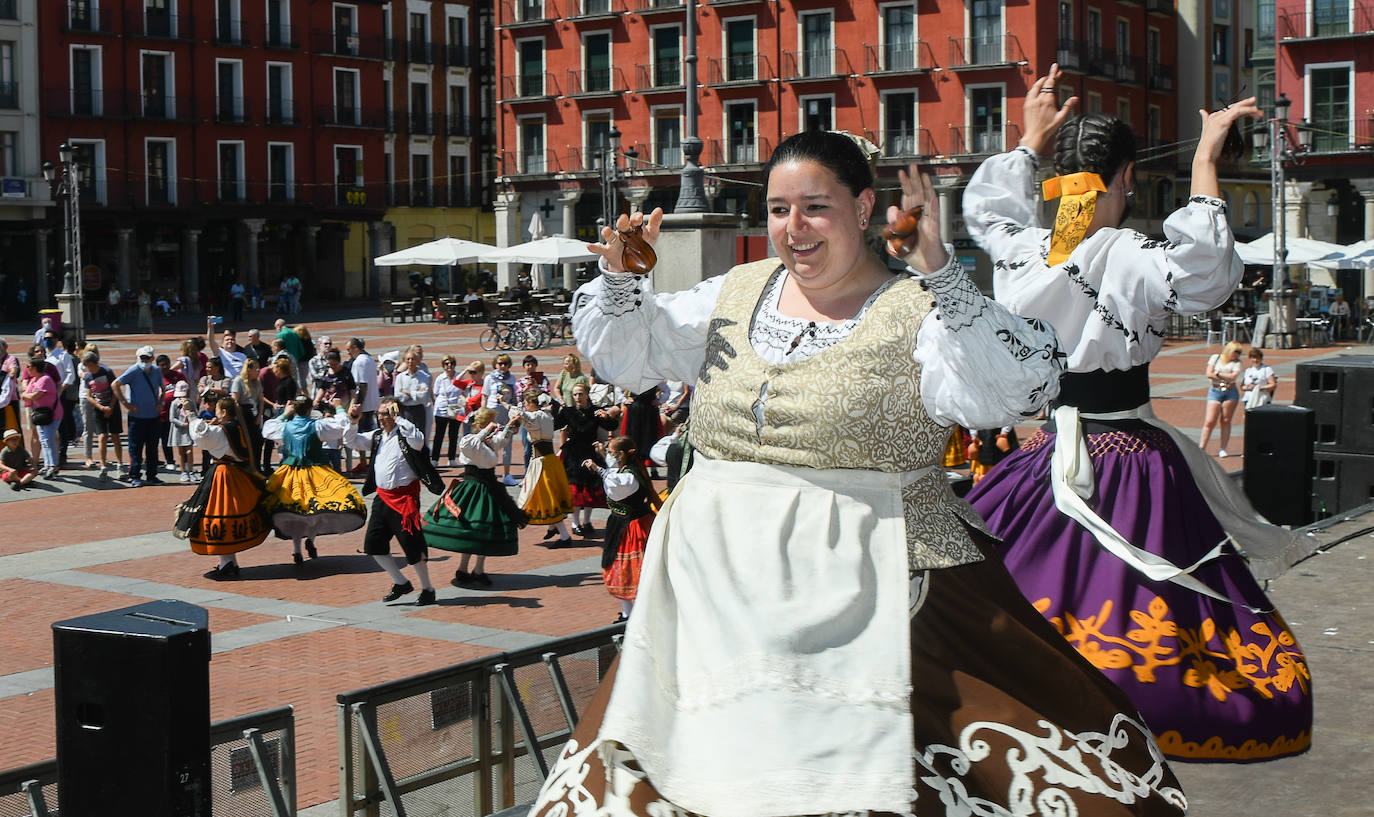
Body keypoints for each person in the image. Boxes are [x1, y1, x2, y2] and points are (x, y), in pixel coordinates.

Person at [529, 131, 1189, 817]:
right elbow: (632, 357)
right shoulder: (735, 290)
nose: (794, 228)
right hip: (713, 588)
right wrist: (625, 279)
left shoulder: (920, 313)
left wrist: (942, 272)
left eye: (815, 206)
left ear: (865, 205)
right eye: (779, 210)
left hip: (874, 580)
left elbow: (1013, 387)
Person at [963, 67, 1311, 762]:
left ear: (1060, 179)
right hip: (1129, 453)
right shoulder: (1130, 254)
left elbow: (993, 215)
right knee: (1148, 594)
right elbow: (1206, 276)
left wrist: (1029, 139)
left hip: (1041, 452)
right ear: (1125, 176)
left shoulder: (1032, 251)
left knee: (1008, 581)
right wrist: (1206, 161)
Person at [349, 397, 439, 604]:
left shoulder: (407, 435)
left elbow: (418, 440)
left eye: (386, 413)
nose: (381, 418)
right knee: (373, 545)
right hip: (382, 498)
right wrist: (353, 421)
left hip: (405, 499)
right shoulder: (378, 435)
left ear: (396, 414)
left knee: (412, 547)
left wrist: (399, 418)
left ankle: (428, 589)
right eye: (379, 414)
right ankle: (401, 583)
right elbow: (353, 441)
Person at [423, 407, 525, 587]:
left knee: (481, 530)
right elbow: (467, 445)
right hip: (473, 488)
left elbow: (501, 441)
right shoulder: (471, 440)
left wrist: (510, 426)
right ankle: (464, 569)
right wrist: (486, 430)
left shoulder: (489, 441)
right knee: (472, 528)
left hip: (489, 487)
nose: (493, 428)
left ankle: (477, 569)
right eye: (489, 423)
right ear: (480, 424)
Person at [261, 397, 367, 565]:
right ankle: (310, 539)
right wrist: (339, 407)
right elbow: (341, 426)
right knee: (317, 510)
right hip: (315, 473)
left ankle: (297, 549)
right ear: (311, 410)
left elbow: (267, 430)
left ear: (294, 409)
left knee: (297, 512)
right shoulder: (317, 426)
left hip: (291, 474)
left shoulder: (285, 427)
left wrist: (284, 415)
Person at [175, 397, 271, 579]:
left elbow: (201, 435)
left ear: (224, 413)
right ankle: (230, 562)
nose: (215, 414)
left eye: (217, 411)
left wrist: (190, 412)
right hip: (238, 475)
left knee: (220, 518)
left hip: (224, 475)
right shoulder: (237, 428)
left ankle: (226, 564)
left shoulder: (222, 431)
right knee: (228, 518)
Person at [590, 436, 660, 621]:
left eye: (612, 453)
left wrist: (598, 469)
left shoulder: (629, 477)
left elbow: (615, 484)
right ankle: (628, 612)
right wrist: (603, 455)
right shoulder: (628, 470)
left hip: (632, 527)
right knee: (623, 568)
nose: (611, 456)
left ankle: (640, 614)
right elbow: (614, 474)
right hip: (624, 524)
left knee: (630, 570)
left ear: (621, 455)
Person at [556, 381, 619, 535]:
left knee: (591, 488)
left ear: (586, 395)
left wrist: (606, 416)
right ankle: (575, 523)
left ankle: (587, 521)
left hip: (591, 451)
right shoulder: (568, 411)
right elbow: (555, 424)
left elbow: (612, 426)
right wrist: (553, 409)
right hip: (573, 453)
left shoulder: (595, 411)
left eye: (581, 394)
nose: (578, 397)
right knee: (576, 489)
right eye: (575, 394)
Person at [514, 390, 574, 544]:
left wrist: (505, 403)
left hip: (541, 464)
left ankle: (565, 536)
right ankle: (554, 528)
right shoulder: (547, 415)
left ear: (531, 403)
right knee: (551, 495)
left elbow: (521, 416)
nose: (525, 407)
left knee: (546, 497)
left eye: (526, 404)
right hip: (550, 461)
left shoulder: (535, 417)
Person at [117, 345, 166, 487]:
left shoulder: (156, 371)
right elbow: (116, 384)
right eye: (142, 358)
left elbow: (163, 388)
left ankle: (152, 475)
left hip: (153, 416)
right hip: (137, 418)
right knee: (135, 448)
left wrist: (161, 402)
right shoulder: (133, 370)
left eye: (147, 358)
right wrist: (126, 404)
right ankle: (135, 476)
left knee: (152, 448)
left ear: (152, 358)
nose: (145, 361)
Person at [81, 351, 125, 480]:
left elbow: (115, 389)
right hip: (98, 408)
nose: (85, 367)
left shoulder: (106, 371)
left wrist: (110, 407)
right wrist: (101, 407)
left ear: (90, 363)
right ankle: (103, 466)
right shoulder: (88, 376)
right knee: (102, 436)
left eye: (85, 364)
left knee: (115, 435)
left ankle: (120, 464)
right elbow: (89, 396)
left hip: (112, 407)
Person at [1200, 340, 1244, 457]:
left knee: (1226, 420)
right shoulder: (1216, 358)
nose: (1237, 354)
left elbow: (1233, 377)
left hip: (1230, 392)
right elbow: (1208, 373)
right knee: (1209, 421)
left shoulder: (1237, 363)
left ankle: (1223, 448)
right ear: (1229, 350)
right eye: (1236, 351)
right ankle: (1202, 447)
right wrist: (1224, 377)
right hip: (1215, 390)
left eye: (1239, 352)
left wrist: (1218, 374)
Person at [20, 356, 62, 477]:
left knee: (49, 439)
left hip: (52, 414)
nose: (27, 368)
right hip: (40, 414)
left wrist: (26, 395)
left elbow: (34, 396)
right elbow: (27, 393)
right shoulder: (34, 380)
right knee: (44, 440)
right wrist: (27, 395)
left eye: (29, 366)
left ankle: (53, 466)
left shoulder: (45, 379)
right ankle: (48, 465)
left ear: (35, 368)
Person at [42, 328, 77, 467]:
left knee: (62, 425)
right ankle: (50, 456)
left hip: (60, 395)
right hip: (45, 395)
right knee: (47, 425)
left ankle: (63, 454)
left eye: (50, 338)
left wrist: (62, 388)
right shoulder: (44, 356)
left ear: (56, 340)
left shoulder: (63, 355)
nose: (47, 341)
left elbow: (70, 374)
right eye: (45, 338)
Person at [481, 354, 519, 484]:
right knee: (491, 442)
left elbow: (514, 398)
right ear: (495, 364)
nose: (503, 366)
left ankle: (507, 475)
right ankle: (490, 473)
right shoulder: (489, 378)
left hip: (507, 412)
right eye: (500, 363)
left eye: (506, 364)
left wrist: (516, 418)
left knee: (507, 443)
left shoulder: (512, 378)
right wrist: (483, 413)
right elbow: (484, 397)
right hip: (493, 412)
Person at [347, 337, 380, 474]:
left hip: (364, 404)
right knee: (369, 433)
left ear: (356, 348)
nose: (348, 353)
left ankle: (364, 462)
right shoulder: (369, 359)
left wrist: (357, 405)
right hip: (372, 402)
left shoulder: (359, 362)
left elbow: (362, 385)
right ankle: (367, 461)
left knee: (361, 435)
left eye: (349, 349)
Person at [430, 356, 464, 467]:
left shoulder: (459, 377)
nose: (449, 366)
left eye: (452, 363)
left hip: (455, 409)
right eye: (446, 363)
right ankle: (435, 459)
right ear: (443, 365)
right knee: (439, 435)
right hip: (441, 410)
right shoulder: (440, 378)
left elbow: (463, 391)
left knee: (453, 435)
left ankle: (452, 458)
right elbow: (435, 393)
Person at [166, 381, 197, 483]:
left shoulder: (190, 402)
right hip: (178, 430)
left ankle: (191, 470)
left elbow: (195, 414)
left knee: (189, 451)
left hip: (188, 430)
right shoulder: (174, 403)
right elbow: (172, 418)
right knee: (181, 452)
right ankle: (183, 471)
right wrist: (181, 424)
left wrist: (190, 415)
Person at [393, 349, 431, 430]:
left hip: (418, 410)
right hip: (405, 410)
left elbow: (423, 396)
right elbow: (398, 396)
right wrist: (415, 394)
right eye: (408, 359)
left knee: (419, 435)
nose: (410, 361)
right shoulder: (400, 377)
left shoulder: (424, 376)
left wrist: (407, 392)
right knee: (405, 434)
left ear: (417, 361)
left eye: (413, 359)